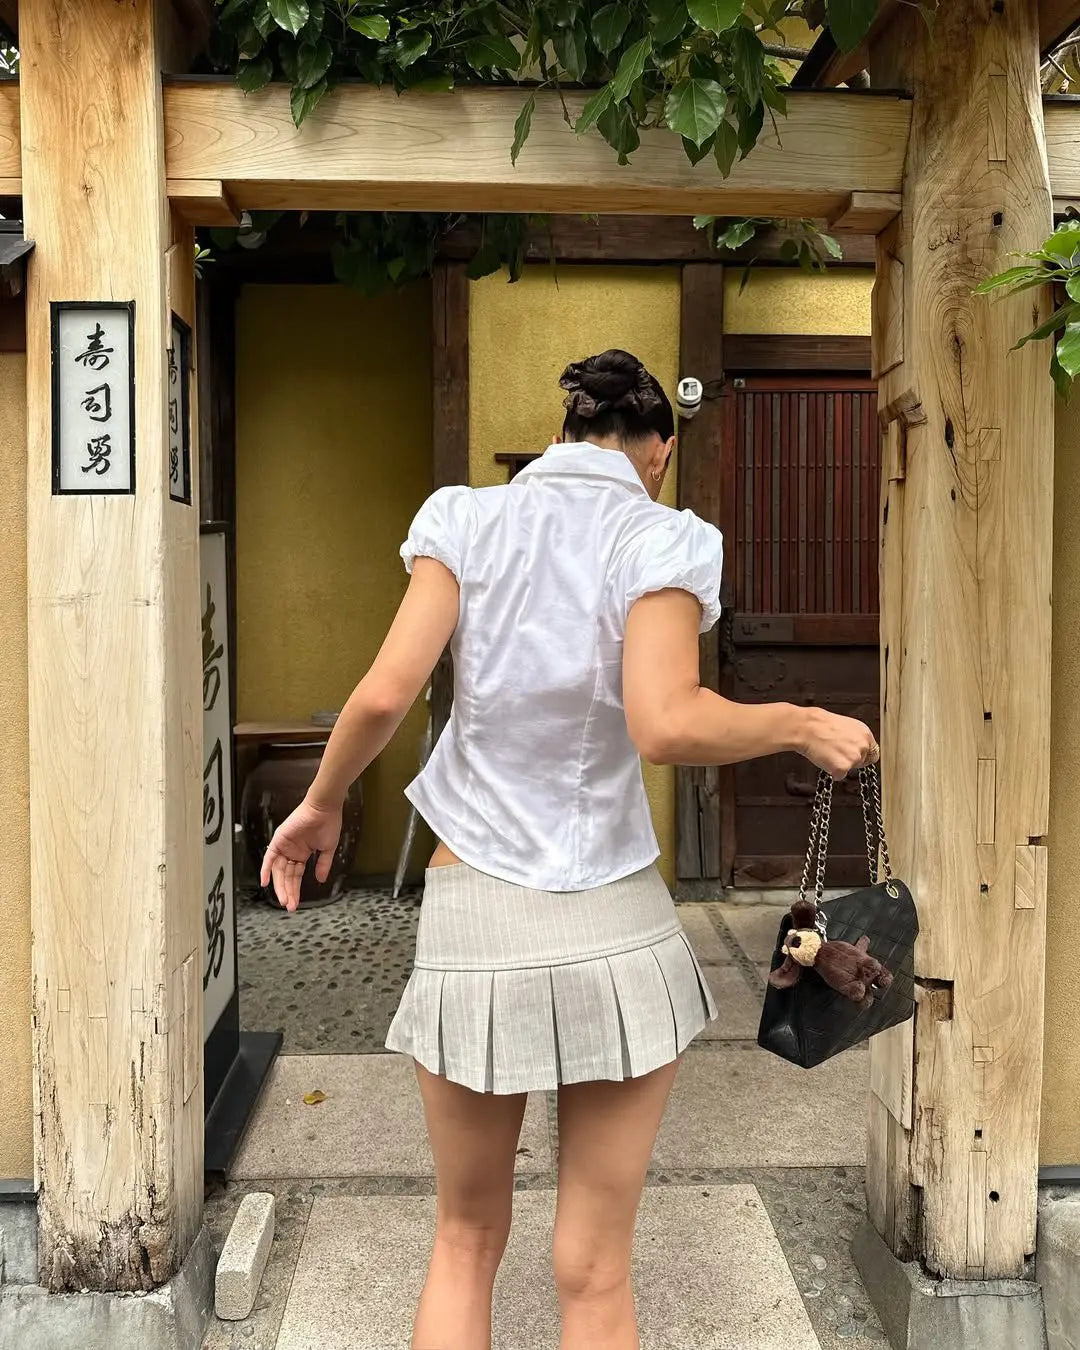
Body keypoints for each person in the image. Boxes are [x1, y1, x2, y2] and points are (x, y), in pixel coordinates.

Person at [260, 348, 878, 1350]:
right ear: (657, 451)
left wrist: (323, 806)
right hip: (612, 922)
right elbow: (665, 724)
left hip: (475, 912)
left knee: (462, 1238)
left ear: (559, 436)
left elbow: (383, 694)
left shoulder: (464, 517)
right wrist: (800, 721)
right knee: (594, 1271)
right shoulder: (662, 534)